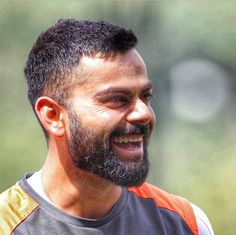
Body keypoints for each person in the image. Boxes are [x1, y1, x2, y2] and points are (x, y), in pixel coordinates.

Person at [0, 19, 214, 235]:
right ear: (53, 116)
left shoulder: (185, 223)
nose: (144, 113)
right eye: (117, 99)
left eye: (146, 96)